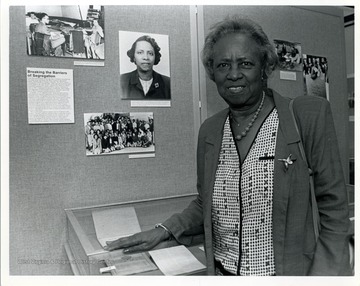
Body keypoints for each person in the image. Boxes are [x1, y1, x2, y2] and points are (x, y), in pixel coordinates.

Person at [105, 17, 351, 276]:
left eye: (245, 63)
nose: (233, 74)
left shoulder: (306, 116)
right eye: (223, 65)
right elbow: (206, 203)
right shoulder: (210, 130)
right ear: (213, 72)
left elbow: (334, 211)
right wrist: (164, 230)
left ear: (265, 67)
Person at [120, 35, 171, 100]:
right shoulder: (122, 80)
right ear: (133, 56)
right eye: (140, 52)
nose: (146, 58)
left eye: (150, 53)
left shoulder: (168, 83)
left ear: (155, 57)